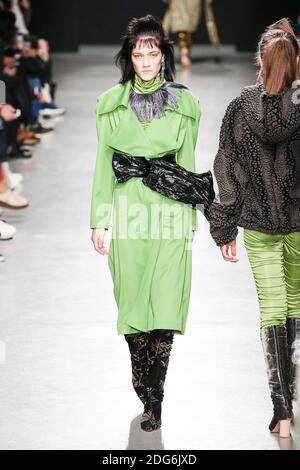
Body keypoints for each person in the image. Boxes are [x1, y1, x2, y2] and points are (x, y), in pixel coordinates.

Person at [90, 14, 201, 432]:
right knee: (134, 304)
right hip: (131, 211)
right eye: (138, 53)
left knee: (166, 304)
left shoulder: (185, 103)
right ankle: (142, 379)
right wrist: (99, 219)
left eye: (152, 52)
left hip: (171, 212)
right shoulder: (110, 104)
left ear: (163, 55)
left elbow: (187, 162)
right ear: (130, 58)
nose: (145, 60)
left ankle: (156, 396)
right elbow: (103, 164)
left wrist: (191, 216)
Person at [209, 18, 300, 438]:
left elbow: (227, 170)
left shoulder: (240, 109)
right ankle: (293, 391)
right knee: (296, 301)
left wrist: (224, 228)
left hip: (260, 225)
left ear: (260, 61)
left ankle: (282, 412)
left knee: (272, 307)